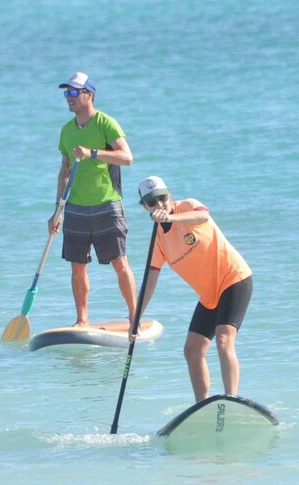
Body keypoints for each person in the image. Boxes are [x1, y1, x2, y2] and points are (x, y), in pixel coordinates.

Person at [130, 176, 253, 403]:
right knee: (192, 350)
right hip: (209, 296)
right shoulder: (156, 240)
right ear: (144, 207)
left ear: (170, 195)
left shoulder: (187, 207)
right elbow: (150, 280)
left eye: (162, 198)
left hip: (234, 278)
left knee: (224, 339)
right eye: (151, 203)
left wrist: (171, 216)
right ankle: (202, 407)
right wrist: (136, 318)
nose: (159, 205)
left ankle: (231, 400)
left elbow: (203, 215)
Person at [49, 72, 136, 328]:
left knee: (120, 263)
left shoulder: (106, 123)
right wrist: (57, 211)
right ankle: (81, 320)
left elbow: (127, 157)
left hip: (107, 204)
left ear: (89, 94)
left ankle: (134, 315)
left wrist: (93, 153)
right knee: (77, 267)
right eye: (67, 93)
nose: (69, 98)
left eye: (74, 92)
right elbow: (64, 171)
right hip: (75, 207)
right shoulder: (66, 131)